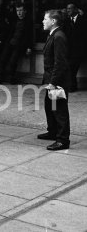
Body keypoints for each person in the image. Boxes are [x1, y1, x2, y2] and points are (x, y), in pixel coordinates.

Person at [38, 10, 71, 151]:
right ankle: (53, 131)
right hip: (50, 78)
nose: (43, 21)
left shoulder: (58, 37)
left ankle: (63, 140)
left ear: (53, 21)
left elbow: (60, 62)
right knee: (49, 106)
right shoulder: (53, 35)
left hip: (57, 80)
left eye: (45, 19)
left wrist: (53, 82)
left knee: (59, 109)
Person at [0, 3, 33, 84]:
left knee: (13, 61)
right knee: (2, 58)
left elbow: (31, 35)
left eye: (21, 10)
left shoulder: (29, 21)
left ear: (25, 11)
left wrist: (29, 47)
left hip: (20, 44)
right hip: (10, 42)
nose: (19, 12)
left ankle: (11, 77)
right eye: (17, 10)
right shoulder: (14, 20)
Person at [65, 3, 86, 91]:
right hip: (69, 50)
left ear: (75, 9)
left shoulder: (83, 20)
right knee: (70, 68)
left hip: (79, 50)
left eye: (70, 9)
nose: (68, 10)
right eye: (67, 9)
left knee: (72, 67)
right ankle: (72, 86)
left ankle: (72, 86)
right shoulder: (66, 21)